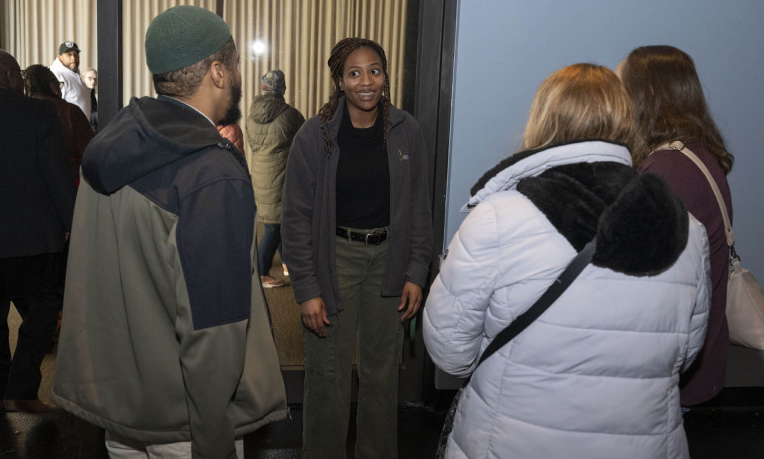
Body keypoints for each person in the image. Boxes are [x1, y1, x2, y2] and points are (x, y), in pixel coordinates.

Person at [423, 63, 711, 459]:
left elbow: (450, 353)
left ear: (543, 120)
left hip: (511, 441)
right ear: (627, 121)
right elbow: (686, 353)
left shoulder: (498, 217)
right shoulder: (687, 229)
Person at [51, 5, 287, 459]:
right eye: (235, 64)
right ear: (218, 72)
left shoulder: (110, 144)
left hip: (122, 415)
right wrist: (214, 438)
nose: (239, 74)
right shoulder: (209, 172)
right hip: (187, 425)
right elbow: (213, 327)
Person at [282, 37, 433, 458]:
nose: (366, 81)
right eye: (354, 73)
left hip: (390, 262)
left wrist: (416, 272)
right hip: (335, 259)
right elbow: (294, 216)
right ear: (339, 81)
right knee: (327, 375)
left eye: (374, 71)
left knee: (382, 376)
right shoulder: (315, 136)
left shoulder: (407, 131)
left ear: (385, 77)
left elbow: (419, 208)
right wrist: (307, 288)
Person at [618, 45, 733, 406]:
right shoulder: (687, 156)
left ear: (647, 94)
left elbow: (638, 282)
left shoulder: (668, 171)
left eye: (622, 88)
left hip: (668, 377)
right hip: (689, 363)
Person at [0, 48, 76, 414]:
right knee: (43, 309)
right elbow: (57, 176)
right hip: (33, 237)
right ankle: (22, 389)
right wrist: (71, 223)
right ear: (12, 76)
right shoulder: (38, 113)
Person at [247, 69, 305, 289]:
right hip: (281, 175)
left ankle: (286, 262)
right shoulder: (289, 114)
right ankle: (260, 272)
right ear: (282, 89)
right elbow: (304, 140)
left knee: (278, 221)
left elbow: (253, 144)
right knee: (274, 225)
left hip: (261, 175)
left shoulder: (253, 114)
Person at [25, 64, 95, 181]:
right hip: (67, 180)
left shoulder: (20, 111)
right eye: (59, 85)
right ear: (52, 86)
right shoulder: (69, 111)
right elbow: (90, 151)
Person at [50, 41, 91, 119]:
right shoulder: (56, 75)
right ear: (59, 57)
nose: (73, 58)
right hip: (67, 129)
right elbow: (54, 107)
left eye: (76, 54)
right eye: (69, 55)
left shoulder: (74, 74)